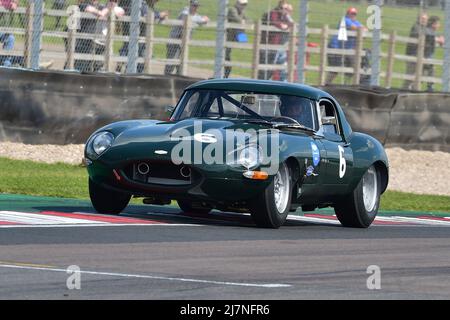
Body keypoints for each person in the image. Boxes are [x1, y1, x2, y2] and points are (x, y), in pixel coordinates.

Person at [72, 0, 124, 72]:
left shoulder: (115, 9)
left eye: (115, 1)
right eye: (111, 1)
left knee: (99, 64)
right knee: (85, 62)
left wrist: (100, 11)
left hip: (106, 42)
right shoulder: (100, 6)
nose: (112, 2)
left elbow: (112, 13)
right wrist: (100, 11)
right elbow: (94, 10)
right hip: (93, 41)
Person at [117, 0, 168, 73]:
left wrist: (160, 15)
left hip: (135, 32)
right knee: (136, 52)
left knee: (131, 49)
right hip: (135, 32)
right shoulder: (140, 3)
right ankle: (126, 66)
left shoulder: (146, 4)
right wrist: (159, 15)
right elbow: (146, 13)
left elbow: (150, 12)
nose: (155, 2)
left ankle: (124, 64)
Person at [164, 0, 209, 75]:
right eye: (194, 5)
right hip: (174, 42)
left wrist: (202, 20)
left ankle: (177, 81)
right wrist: (202, 20)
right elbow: (188, 19)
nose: (196, 8)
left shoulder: (196, 15)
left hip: (183, 43)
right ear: (190, 5)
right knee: (171, 63)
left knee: (181, 65)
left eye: (197, 6)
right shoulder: (185, 11)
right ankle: (165, 79)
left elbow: (204, 20)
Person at [326, 7, 366, 85]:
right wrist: (361, 29)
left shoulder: (356, 22)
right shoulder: (345, 20)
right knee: (335, 69)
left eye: (354, 14)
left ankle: (350, 85)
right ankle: (326, 84)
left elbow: (364, 29)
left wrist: (361, 29)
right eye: (351, 13)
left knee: (355, 67)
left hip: (348, 50)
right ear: (347, 13)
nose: (353, 15)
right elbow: (355, 28)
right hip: (335, 47)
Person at [258, 0, 294, 80]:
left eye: (286, 8)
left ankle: (282, 85)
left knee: (281, 68)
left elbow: (291, 24)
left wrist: (287, 15)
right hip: (270, 45)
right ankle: (264, 84)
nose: (284, 10)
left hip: (279, 45)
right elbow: (276, 23)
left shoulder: (284, 15)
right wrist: (283, 26)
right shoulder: (273, 13)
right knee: (267, 68)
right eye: (283, 8)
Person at [402, 13, 428, 90]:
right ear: (418, 19)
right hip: (412, 55)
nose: (424, 20)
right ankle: (403, 92)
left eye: (425, 19)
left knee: (421, 76)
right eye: (422, 19)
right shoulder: (416, 27)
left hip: (420, 56)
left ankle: (413, 91)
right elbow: (420, 36)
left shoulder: (424, 28)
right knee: (409, 77)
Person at [224, 0, 248, 78]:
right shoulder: (232, 10)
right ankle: (223, 76)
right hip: (227, 38)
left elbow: (247, 21)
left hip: (233, 37)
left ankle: (243, 43)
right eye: (242, 4)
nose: (243, 6)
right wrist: (243, 21)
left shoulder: (241, 12)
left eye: (245, 4)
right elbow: (238, 20)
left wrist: (244, 21)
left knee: (227, 60)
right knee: (225, 58)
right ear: (237, 3)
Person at [423, 16, 444, 92]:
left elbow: (436, 41)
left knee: (429, 71)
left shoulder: (432, 31)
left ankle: (430, 87)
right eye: (438, 24)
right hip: (425, 56)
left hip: (428, 56)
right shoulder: (428, 30)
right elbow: (431, 38)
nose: (439, 26)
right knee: (430, 70)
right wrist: (439, 40)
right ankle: (430, 87)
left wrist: (440, 41)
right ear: (433, 24)